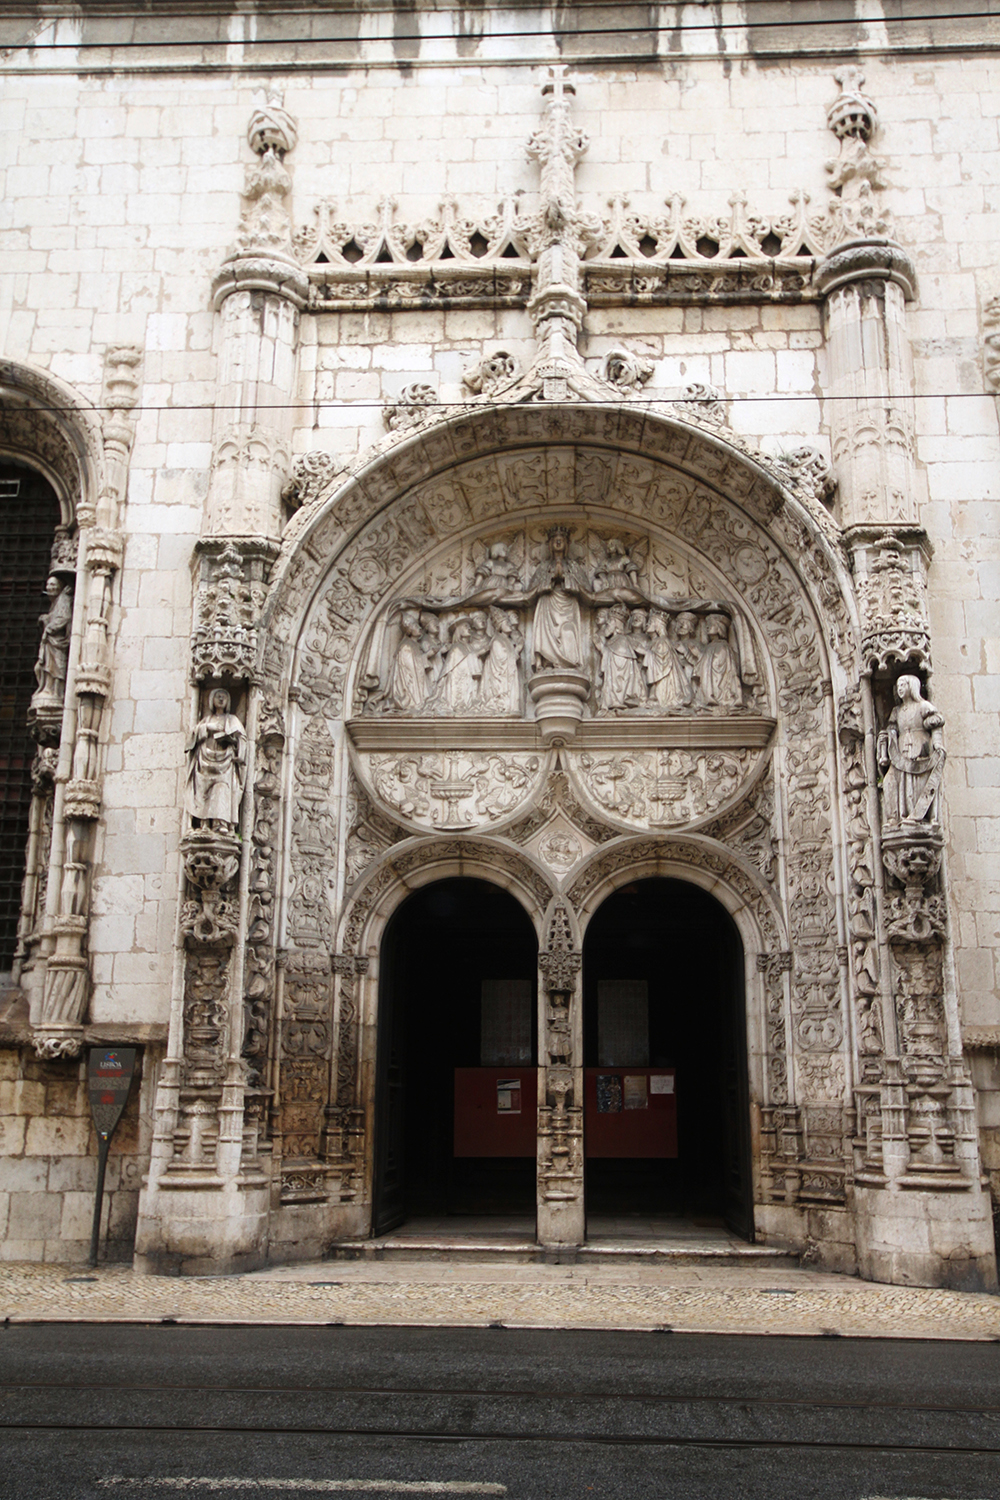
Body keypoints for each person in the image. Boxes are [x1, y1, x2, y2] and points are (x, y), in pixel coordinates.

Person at [877, 674, 946, 826]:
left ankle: (918, 817)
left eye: (903, 685)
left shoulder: (923, 706)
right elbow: (892, 728)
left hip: (920, 748)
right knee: (890, 781)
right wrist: (887, 737)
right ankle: (895, 817)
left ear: (912, 687)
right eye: (898, 686)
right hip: (900, 753)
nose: (900, 689)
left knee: (914, 783)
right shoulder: (896, 711)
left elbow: (937, 723)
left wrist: (937, 744)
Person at [185, 688, 248, 830]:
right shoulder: (207, 720)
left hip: (225, 763)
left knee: (222, 789)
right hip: (205, 762)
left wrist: (232, 740)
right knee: (203, 792)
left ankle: (221, 823)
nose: (221, 699)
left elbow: (242, 740)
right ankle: (204, 823)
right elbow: (192, 738)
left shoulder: (233, 720)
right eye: (218, 696)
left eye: (224, 697)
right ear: (211, 700)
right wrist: (208, 728)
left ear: (228, 701)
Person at [32, 575, 73, 706]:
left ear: (60, 586)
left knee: (56, 667)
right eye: (49, 585)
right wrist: (47, 618)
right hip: (50, 642)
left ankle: (56, 692)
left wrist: (49, 627)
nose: (50, 587)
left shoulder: (63, 599)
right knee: (40, 668)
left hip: (57, 642)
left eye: (53, 584)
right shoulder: (56, 602)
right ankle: (48, 689)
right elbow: (56, 616)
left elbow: (64, 617)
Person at [597, 603, 646, 712]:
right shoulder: (612, 641)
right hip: (613, 684)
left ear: (615, 623)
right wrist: (601, 648)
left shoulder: (623, 640)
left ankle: (618, 701)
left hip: (620, 683)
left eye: (609, 622)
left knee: (620, 679)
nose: (607, 625)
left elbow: (621, 673)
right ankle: (614, 701)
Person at [387, 608, 434, 712]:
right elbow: (410, 670)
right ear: (409, 630)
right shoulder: (406, 646)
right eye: (416, 626)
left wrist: (426, 655)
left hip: (418, 683)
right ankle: (415, 702)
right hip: (411, 688)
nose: (419, 628)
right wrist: (427, 656)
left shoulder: (415, 645)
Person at [642, 609, 689, 709]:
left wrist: (645, 653)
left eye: (650, 622)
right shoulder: (654, 642)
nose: (647, 625)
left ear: (657, 625)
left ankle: (657, 699)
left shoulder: (662, 641)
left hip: (664, 683)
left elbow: (662, 663)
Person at [694, 612, 743, 709]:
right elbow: (705, 665)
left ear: (720, 628)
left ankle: (715, 698)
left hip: (718, 684)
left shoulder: (723, 647)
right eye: (707, 625)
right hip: (709, 683)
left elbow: (717, 665)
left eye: (711, 625)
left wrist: (700, 655)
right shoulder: (710, 647)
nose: (707, 627)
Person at [480, 607, 523, 714]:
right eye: (506, 622)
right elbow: (502, 661)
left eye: (509, 621)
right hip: (501, 681)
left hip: (509, 676)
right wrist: (517, 649)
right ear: (499, 626)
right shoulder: (497, 641)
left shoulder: (507, 640)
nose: (509, 624)